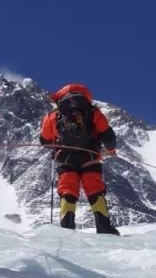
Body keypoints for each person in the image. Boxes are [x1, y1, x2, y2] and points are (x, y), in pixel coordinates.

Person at [39, 83, 120, 235]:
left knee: (68, 190)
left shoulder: (53, 115)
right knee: (95, 189)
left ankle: (67, 228)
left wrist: (56, 144)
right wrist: (111, 149)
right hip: (90, 157)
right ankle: (103, 227)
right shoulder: (92, 111)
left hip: (66, 159)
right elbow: (107, 134)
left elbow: (44, 140)